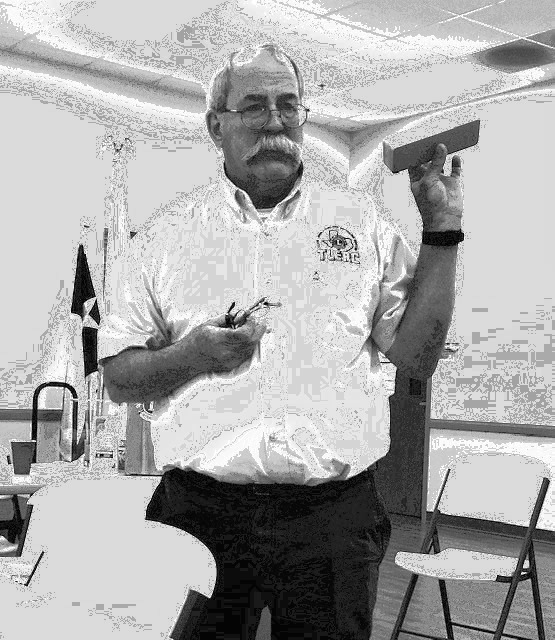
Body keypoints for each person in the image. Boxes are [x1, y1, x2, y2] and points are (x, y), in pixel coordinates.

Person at [98, 42, 463, 639]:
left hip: (333, 521)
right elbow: (118, 378)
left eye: (288, 105)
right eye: (254, 106)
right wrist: (194, 356)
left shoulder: (363, 226)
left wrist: (442, 228)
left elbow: (417, 358)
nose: (275, 121)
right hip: (199, 516)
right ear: (216, 126)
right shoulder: (164, 238)